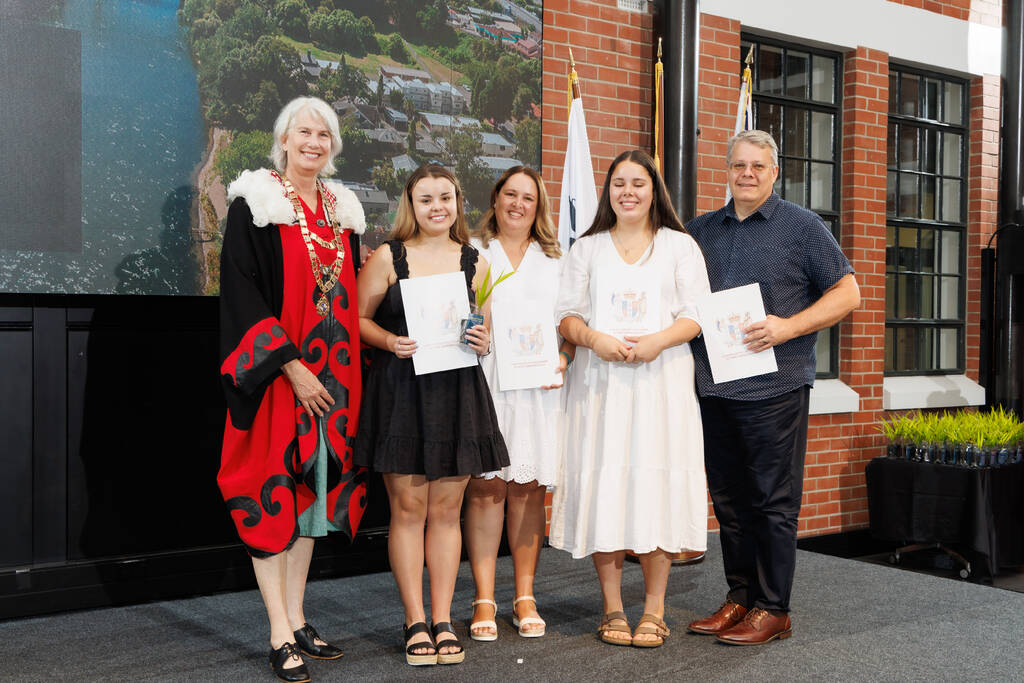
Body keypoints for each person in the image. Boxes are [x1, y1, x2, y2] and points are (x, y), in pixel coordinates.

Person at [685, 129, 860, 645]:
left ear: (774, 172)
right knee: (729, 502)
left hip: (774, 389)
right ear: (727, 169)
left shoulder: (803, 228)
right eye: (739, 165)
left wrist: (788, 326)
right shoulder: (701, 231)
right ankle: (739, 598)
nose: (747, 174)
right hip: (715, 389)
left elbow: (849, 292)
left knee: (772, 502)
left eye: (757, 167)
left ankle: (774, 608)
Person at [217, 96, 367, 683]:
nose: (314, 142)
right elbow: (242, 293)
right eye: (303, 132)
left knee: (313, 499)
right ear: (284, 139)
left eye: (323, 134)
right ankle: (279, 632)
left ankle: (299, 618)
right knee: (273, 493)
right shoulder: (256, 203)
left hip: (335, 383)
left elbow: (350, 291)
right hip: (283, 380)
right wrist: (288, 365)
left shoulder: (342, 209)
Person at [550, 149, 710, 648]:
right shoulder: (586, 248)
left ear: (653, 190)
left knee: (654, 488)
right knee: (607, 488)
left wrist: (658, 341)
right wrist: (593, 339)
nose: (628, 192)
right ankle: (614, 609)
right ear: (608, 190)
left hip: (660, 385)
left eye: (638, 183)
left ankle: (656, 610)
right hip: (601, 389)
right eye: (619, 183)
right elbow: (567, 315)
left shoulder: (680, 246)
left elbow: (697, 314)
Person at [354, 164, 510, 666]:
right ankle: (414, 620)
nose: (437, 206)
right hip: (401, 393)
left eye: (445, 197)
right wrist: (389, 340)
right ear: (411, 204)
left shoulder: (477, 262)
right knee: (407, 511)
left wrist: (483, 340)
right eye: (426, 199)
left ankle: (443, 619)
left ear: (458, 201)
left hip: (458, 394)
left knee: (446, 512)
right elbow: (357, 321)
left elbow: (481, 330)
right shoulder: (388, 257)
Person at [464, 167, 572, 641]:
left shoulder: (556, 260)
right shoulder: (471, 251)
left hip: (538, 390)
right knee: (487, 488)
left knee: (528, 489)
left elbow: (570, 324)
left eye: (528, 197)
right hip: (486, 382)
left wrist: (565, 357)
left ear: (539, 206)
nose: (518, 203)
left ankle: (525, 594)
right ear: (496, 198)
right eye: (511, 194)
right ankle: (484, 597)